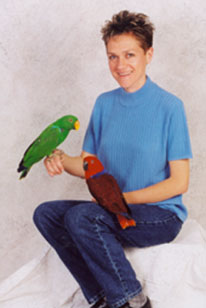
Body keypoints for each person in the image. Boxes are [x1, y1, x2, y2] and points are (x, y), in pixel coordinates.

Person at [33, 10, 192, 308]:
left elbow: (179, 182)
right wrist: (58, 158)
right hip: (113, 207)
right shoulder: (104, 104)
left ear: (149, 54)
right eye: (112, 56)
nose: (120, 65)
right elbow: (90, 166)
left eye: (130, 54)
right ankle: (102, 297)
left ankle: (133, 300)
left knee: (83, 216)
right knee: (46, 214)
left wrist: (121, 199)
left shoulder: (170, 107)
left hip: (159, 214)